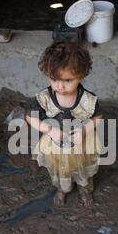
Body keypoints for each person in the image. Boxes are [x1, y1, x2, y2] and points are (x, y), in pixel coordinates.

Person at [25, 41, 103, 208]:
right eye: (54, 79)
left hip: (81, 142)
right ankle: (63, 188)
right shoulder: (44, 98)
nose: (60, 86)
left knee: (83, 167)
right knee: (61, 170)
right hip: (55, 143)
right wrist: (49, 130)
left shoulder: (87, 100)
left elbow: (98, 117)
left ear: (82, 75)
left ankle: (84, 188)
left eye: (68, 80)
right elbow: (31, 118)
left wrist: (83, 131)